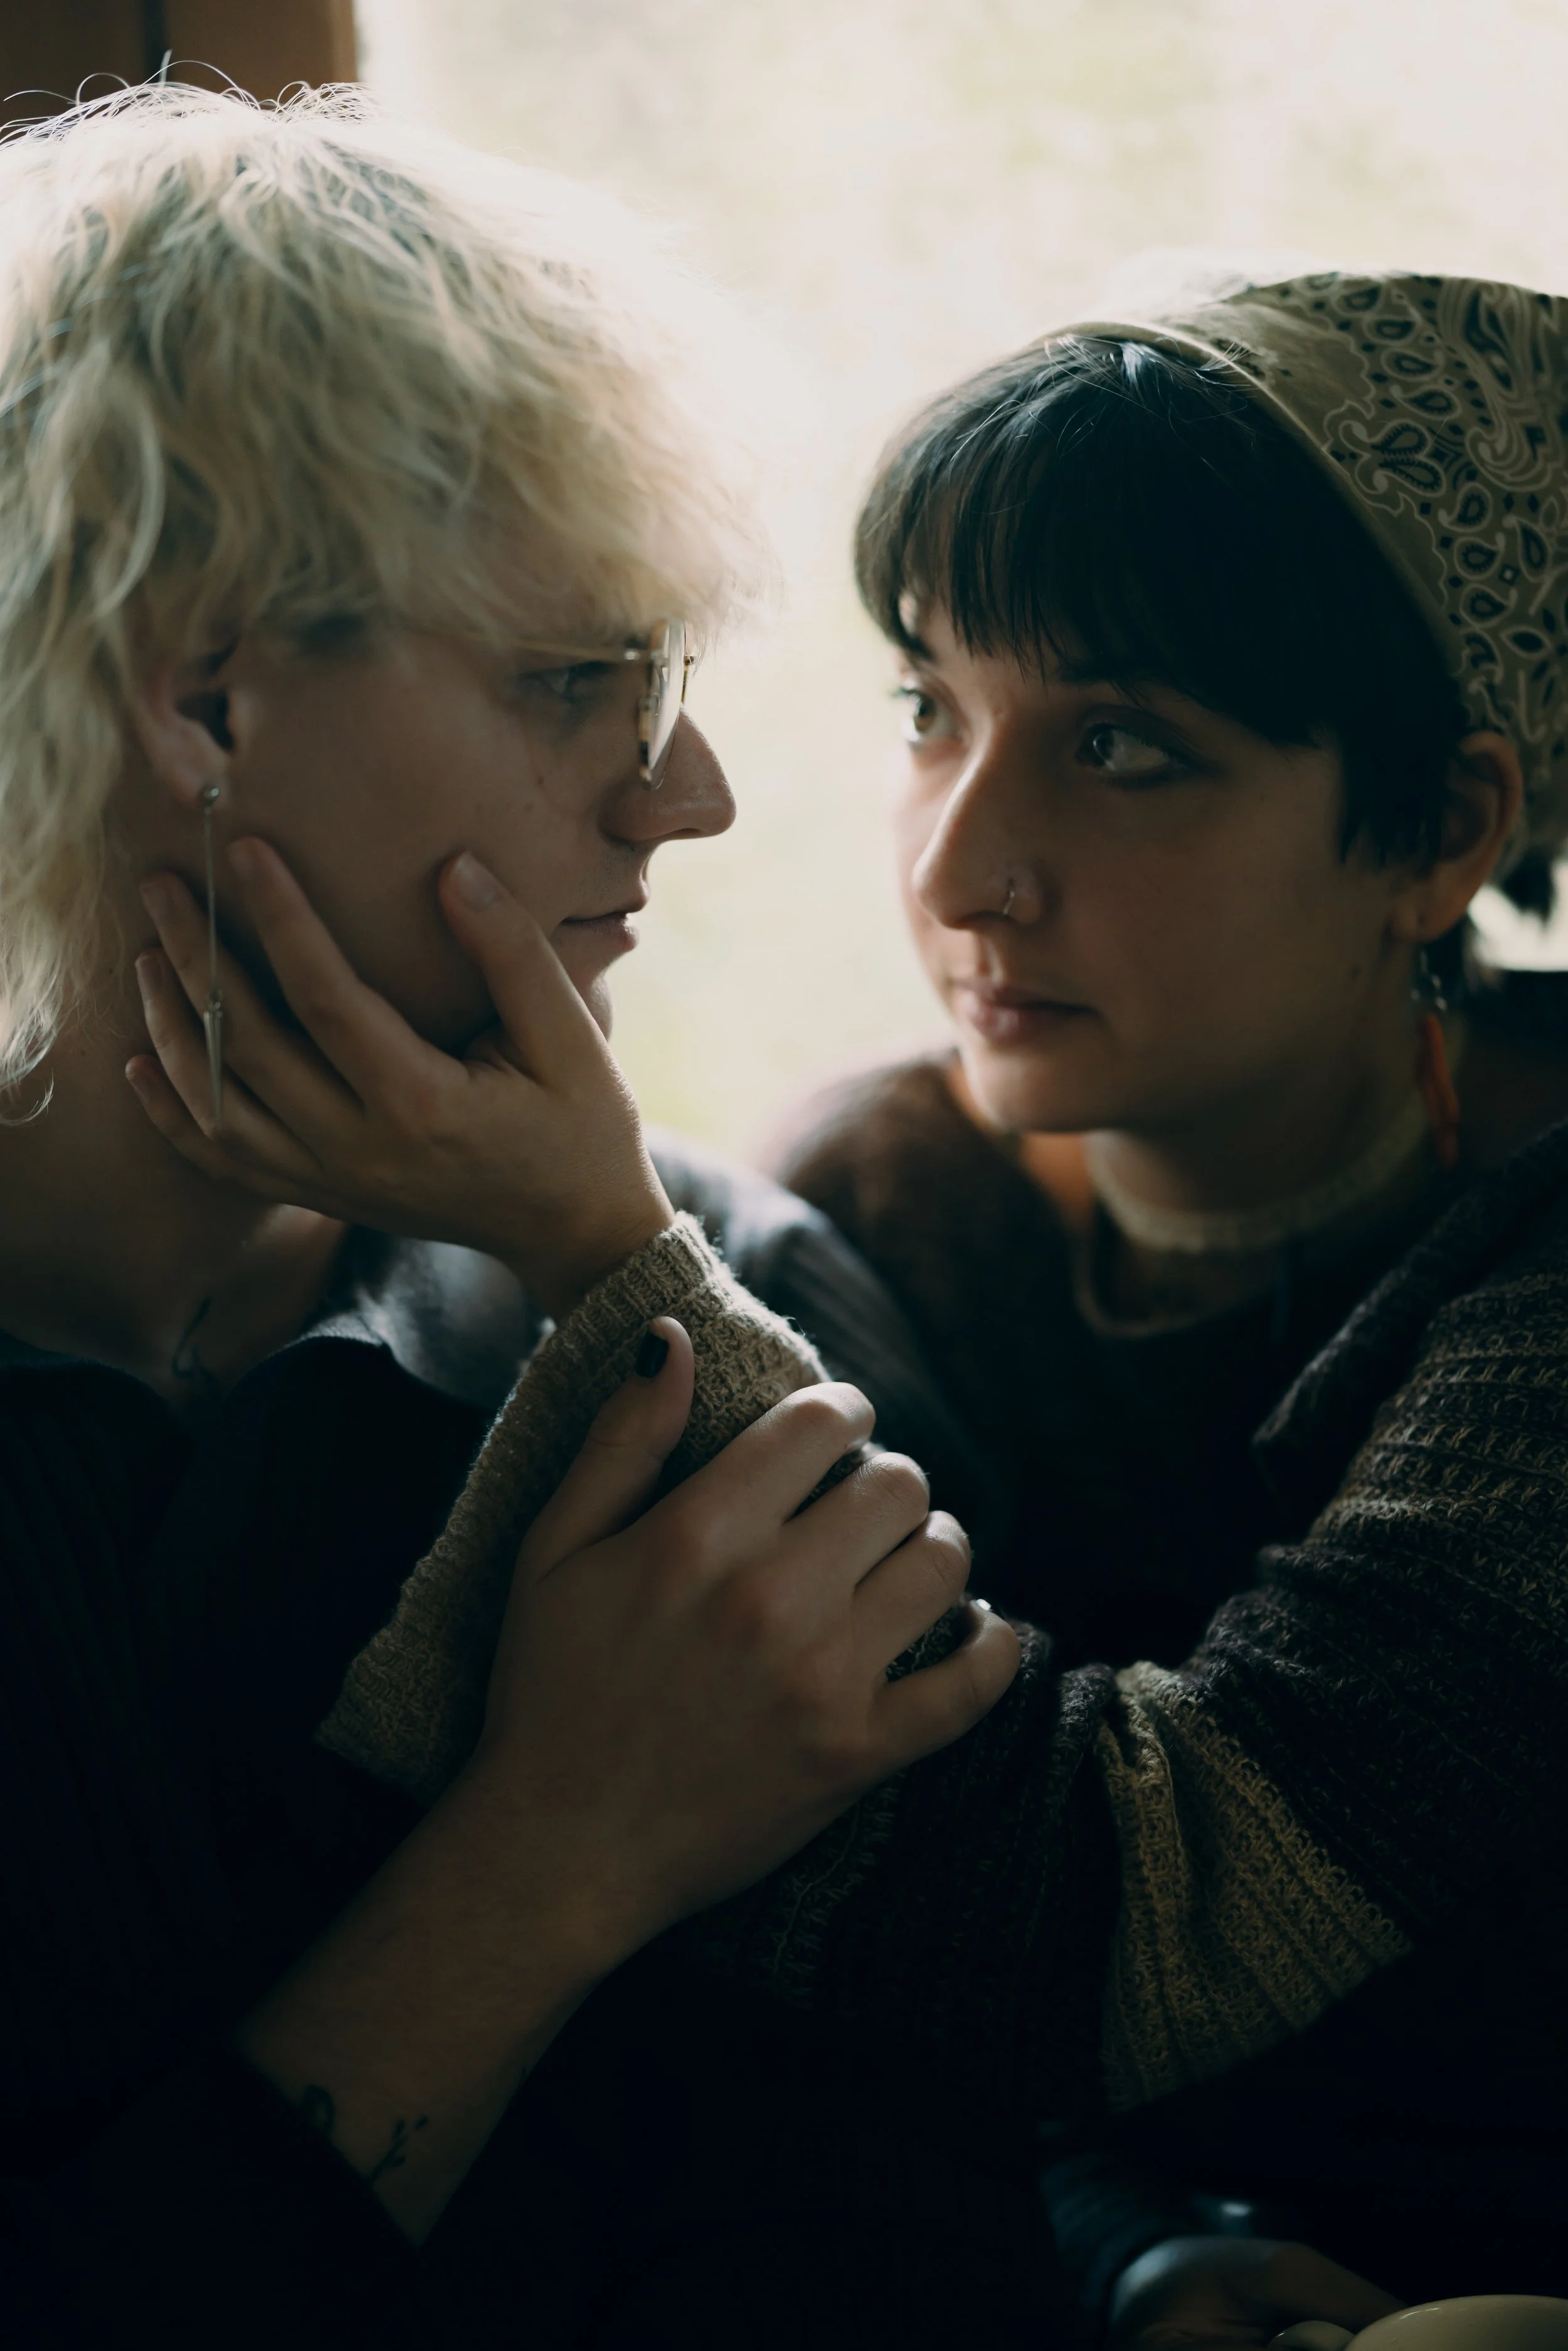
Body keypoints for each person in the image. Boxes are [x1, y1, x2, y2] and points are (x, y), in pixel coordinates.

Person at [200, 268, 1568, 2349]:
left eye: (1121, 747)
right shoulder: (888, 1200)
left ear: (1442, 827)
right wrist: (1132, 2249)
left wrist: (599, 1241)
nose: (953, 867)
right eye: (928, 706)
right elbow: (882, 1954)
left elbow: (1157, 1905)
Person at [0, 83, 1030, 2348]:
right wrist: (555, 1854)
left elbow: (911, 2232)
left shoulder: (734, 1305)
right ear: (201, 690)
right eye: (578, 682)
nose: (691, 793)